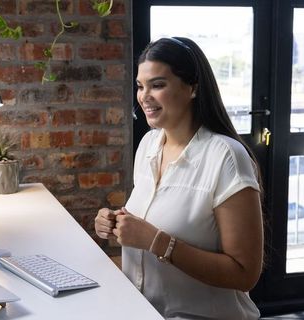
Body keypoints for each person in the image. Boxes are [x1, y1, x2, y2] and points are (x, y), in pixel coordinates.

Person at [95, 37, 264, 319]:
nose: (144, 96)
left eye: (158, 85)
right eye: (140, 86)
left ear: (192, 87)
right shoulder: (149, 144)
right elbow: (159, 215)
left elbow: (244, 274)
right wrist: (114, 222)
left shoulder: (226, 156)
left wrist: (156, 241)